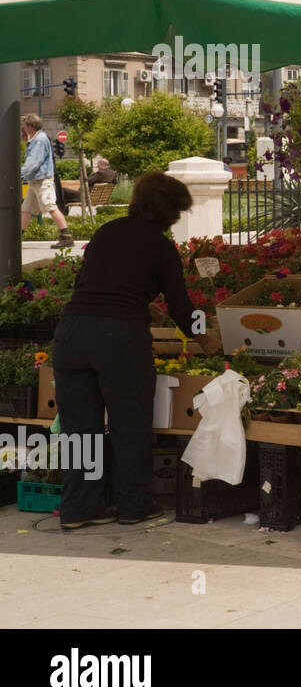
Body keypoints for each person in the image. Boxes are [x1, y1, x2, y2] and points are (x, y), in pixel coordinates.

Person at [54, 172, 220, 529]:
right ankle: (134, 507)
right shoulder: (160, 246)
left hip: (71, 334)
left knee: (79, 429)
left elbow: (96, 286)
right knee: (130, 424)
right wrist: (206, 338)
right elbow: (179, 304)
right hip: (119, 340)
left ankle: (78, 509)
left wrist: (142, 306)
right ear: (169, 212)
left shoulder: (106, 232)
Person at [20, 114, 73, 248]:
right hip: (35, 182)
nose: (23, 128)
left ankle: (66, 236)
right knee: (26, 209)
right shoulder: (36, 138)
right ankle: (17, 237)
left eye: (25, 126)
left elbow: (34, 163)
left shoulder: (39, 140)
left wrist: (19, 174)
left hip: (43, 181)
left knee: (50, 207)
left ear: (30, 126)